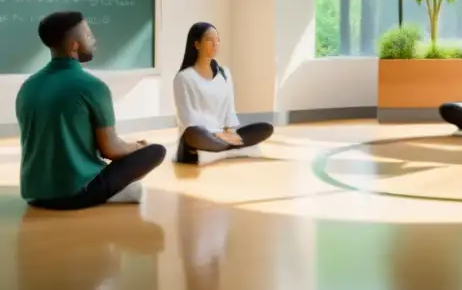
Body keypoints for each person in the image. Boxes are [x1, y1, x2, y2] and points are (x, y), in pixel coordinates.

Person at [16, 11, 166, 209]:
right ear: (74, 45)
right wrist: (138, 147)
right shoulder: (93, 87)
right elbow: (111, 149)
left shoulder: (28, 86)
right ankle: (117, 192)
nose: (94, 39)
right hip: (75, 194)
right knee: (156, 151)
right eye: (88, 35)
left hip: (33, 194)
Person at [173, 22, 273, 165]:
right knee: (194, 133)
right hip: (200, 136)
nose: (215, 44)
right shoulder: (183, 78)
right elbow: (187, 117)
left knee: (265, 128)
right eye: (209, 40)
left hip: (221, 136)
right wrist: (217, 134)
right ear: (196, 44)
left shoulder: (224, 73)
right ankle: (231, 147)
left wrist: (229, 131)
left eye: (217, 40)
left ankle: (224, 146)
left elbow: (229, 108)